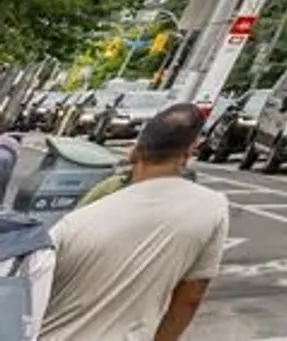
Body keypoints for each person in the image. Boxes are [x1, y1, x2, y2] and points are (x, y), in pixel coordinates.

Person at [29, 103, 223, 341]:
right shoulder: (211, 208)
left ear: (134, 152)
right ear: (189, 152)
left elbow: (29, 298)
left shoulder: (73, 224)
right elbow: (190, 297)